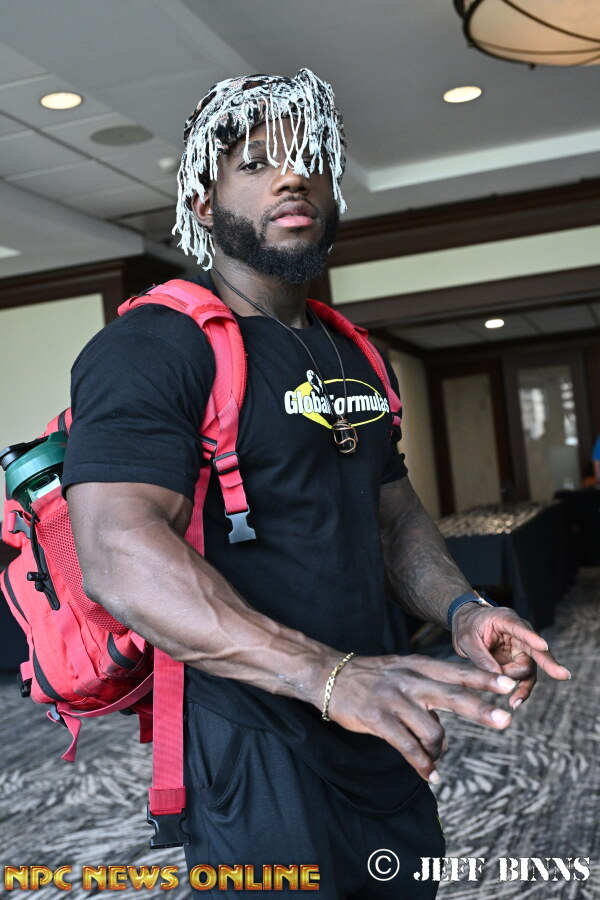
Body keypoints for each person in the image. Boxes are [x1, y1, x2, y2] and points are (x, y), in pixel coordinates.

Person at [63, 69, 570, 898]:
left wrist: (462, 609)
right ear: (203, 204)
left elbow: (392, 515)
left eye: (310, 160)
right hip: (254, 740)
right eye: (256, 163)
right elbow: (119, 553)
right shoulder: (153, 346)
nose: (291, 176)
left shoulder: (352, 352)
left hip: (377, 713)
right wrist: (327, 676)